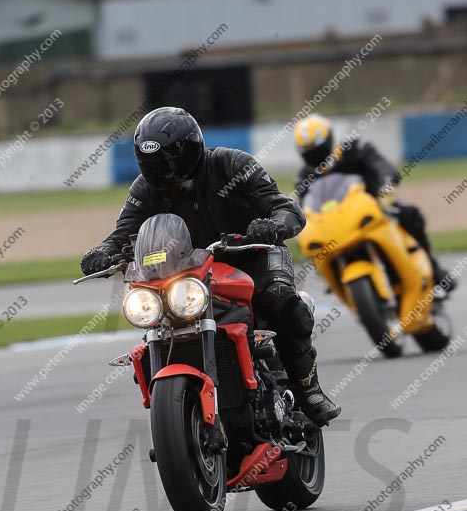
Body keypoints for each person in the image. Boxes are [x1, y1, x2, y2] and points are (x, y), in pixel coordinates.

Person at [81, 106, 341, 427]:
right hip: (190, 273)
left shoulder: (232, 164)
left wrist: (272, 226)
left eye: (172, 162)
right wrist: (105, 251)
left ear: (193, 148)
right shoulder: (145, 190)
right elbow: (123, 231)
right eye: (156, 166)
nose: (167, 173)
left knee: (279, 299)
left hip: (252, 255)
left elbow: (286, 209)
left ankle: (308, 389)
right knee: (158, 318)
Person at [293, 114, 456, 292]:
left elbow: (381, 167)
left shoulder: (354, 150)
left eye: (318, 149)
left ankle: (434, 270)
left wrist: (386, 184)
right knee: (313, 245)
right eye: (309, 152)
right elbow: (305, 208)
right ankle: (333, 278)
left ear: (330, 139)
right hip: (335, 222)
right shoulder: (304, 177)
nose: (315, 155)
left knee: (409, 214)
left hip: (373, 208)